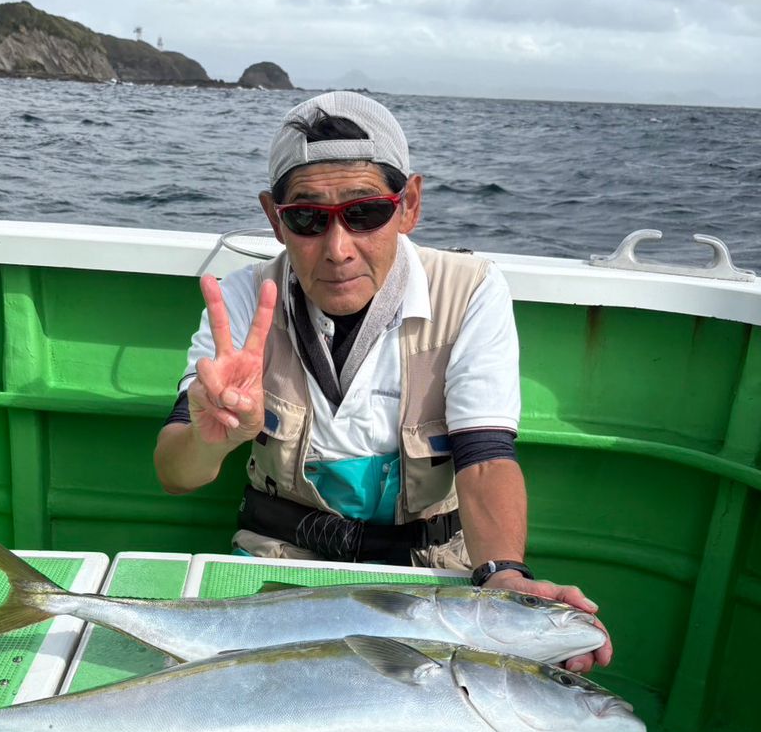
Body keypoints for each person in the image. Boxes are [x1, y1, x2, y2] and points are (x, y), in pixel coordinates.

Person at [155, 91, 610, 672]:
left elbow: (486, 456)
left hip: (432, 573)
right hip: (278, 560)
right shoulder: (244, 300)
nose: (338, 248)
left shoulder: (469, 291)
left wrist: (503, 574)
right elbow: (175, 473)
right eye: (307, 219)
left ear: (409, 205)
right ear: (276, 219)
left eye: (365, 212)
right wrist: (209, 438)